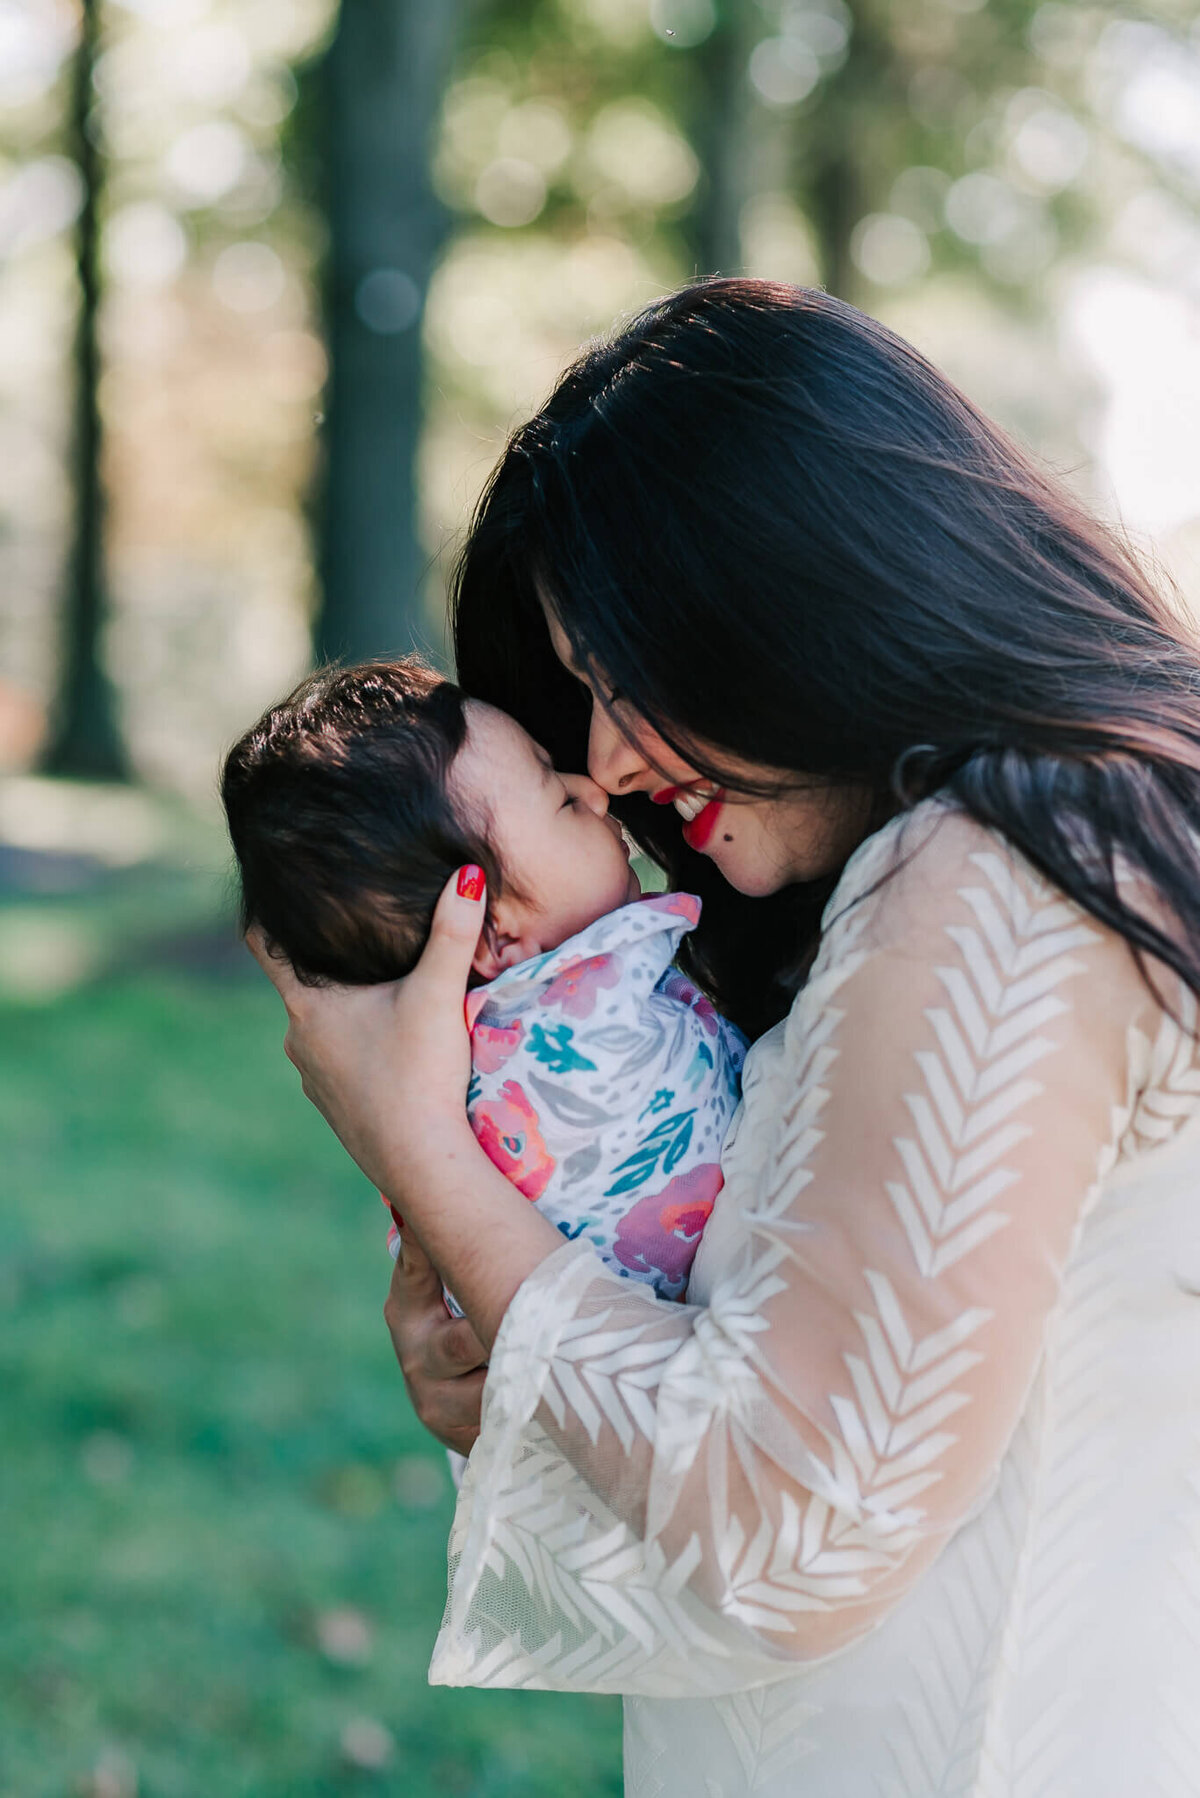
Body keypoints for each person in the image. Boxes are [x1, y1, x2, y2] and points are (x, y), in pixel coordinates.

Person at [250, 280, 1200, 1796]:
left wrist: (425, 1152)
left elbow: (794, 1522)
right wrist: (502, 1343)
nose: (611, 765)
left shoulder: (1009, 859)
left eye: (636, 678)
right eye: (583, 701)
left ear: (802, 589)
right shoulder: (984, 849)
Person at [222, 656, 745, 1305]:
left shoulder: (429, 1075)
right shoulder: (594, 1003)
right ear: (491, 932)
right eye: (558, 796)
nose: (594, 791)